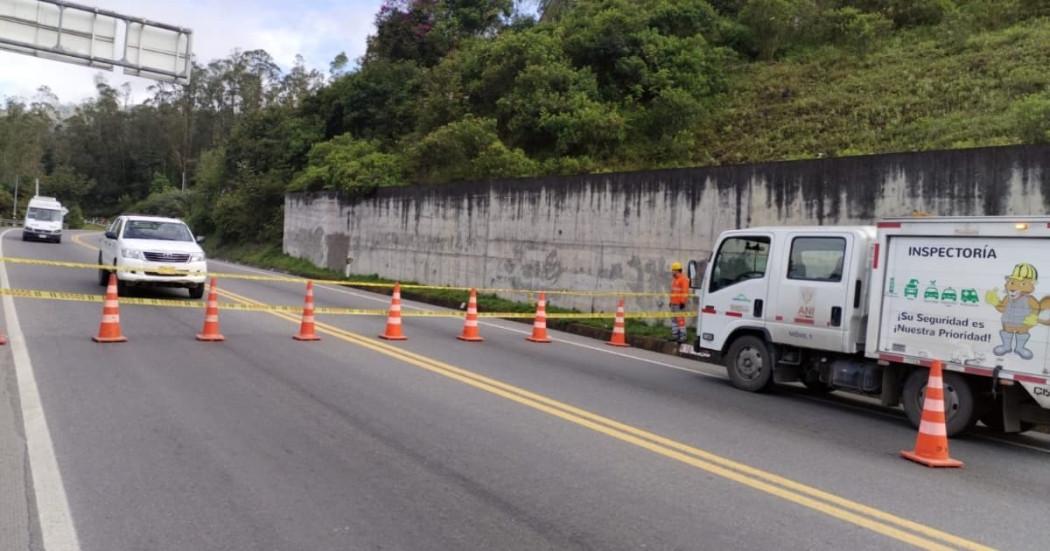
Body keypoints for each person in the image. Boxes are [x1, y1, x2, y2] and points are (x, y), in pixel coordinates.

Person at [670, 261, 690, 343]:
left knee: (680, 320)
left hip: (679, 304)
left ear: (677, 270)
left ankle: (683, 337)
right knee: (674, 320)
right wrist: (670, 301)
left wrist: (682, 302)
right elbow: (673, 292)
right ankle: (675, 336)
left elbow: (685, 292)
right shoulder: (675, 280)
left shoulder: (683, 279)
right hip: (674, 303)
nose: (672, 272)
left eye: (673, 270)